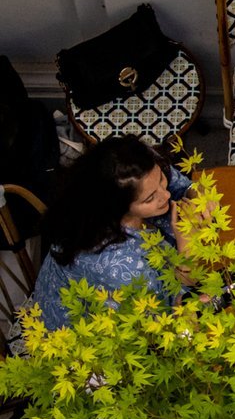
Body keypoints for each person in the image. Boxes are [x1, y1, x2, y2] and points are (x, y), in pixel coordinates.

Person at [31, 137, 193, 332]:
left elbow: (175, 183)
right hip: (92, 339)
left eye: (161, 180)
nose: (165, 195)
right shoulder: (122, 267)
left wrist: (195, 194)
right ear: (118, 208)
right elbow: (168, 317)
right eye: (150, 198)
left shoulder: (134, 173)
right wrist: (187, 248)